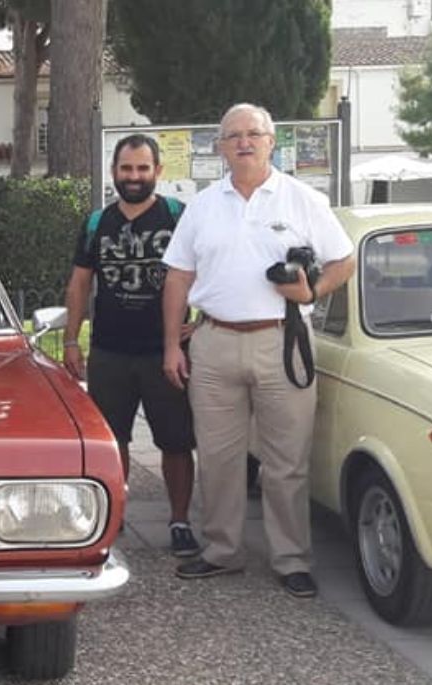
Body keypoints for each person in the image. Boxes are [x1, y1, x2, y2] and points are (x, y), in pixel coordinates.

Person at [161, 103, 355, 597]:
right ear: (221, 147)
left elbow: (344, 260)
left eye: (254, 134)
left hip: (282, 341)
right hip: (215, 341)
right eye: (233, 136)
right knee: (220, 458)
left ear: (272, 142)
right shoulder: (203, 206)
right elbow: (179, 276)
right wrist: (171, 345)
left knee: (286, 461)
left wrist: (312, 292)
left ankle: (291, 558)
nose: (244, 142)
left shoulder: (302, 199)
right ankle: (222, 550)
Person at [63, 134, 199, 557]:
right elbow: (81, 282)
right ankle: (113, 516)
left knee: (176, 442)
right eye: (126, 168)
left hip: (165, 353)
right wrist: (71, 338)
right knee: (111, 440)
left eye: (143, 168)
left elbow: (212, 271)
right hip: (110, 351)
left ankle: (179, 520)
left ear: (158, 171)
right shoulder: (95, 223)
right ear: (113, 172)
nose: (134, 177)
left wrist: (201, 323)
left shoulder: (180, 216)